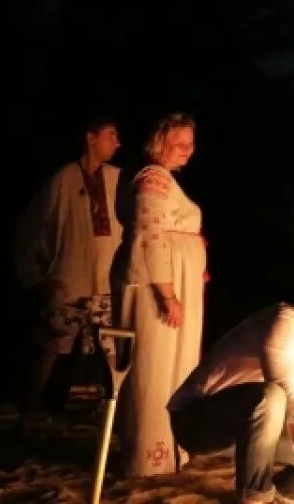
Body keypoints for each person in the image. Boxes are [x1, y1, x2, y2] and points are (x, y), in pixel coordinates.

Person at [168, 271, 294, 504]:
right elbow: (291, 402)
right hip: (197, 421)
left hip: (255, 433)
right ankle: (254, 497)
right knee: (272, 397)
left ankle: (280, 494)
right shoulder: (286, 321)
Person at [13, 115, 123, 435]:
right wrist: (35, 276)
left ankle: (117, 412)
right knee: (50, 347)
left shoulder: (118, 179)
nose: (117, 143)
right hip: (69, 279)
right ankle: (28, 416)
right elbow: (32, 228)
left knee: (113, 350)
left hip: (106, 280)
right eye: (111, 135)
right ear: (91, 138)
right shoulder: (62, 180)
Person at [113, 113, 206, 476]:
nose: (188, 151)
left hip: (174, 281)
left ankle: (170, 449)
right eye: (179, 143)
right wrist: (168, 294)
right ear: (159, 142)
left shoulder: (162, 179)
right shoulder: (152, 178)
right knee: (153, 367)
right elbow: (148, 236)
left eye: (191, 144)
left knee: (172, 368)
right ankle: (147, 456)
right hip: (156, 288)